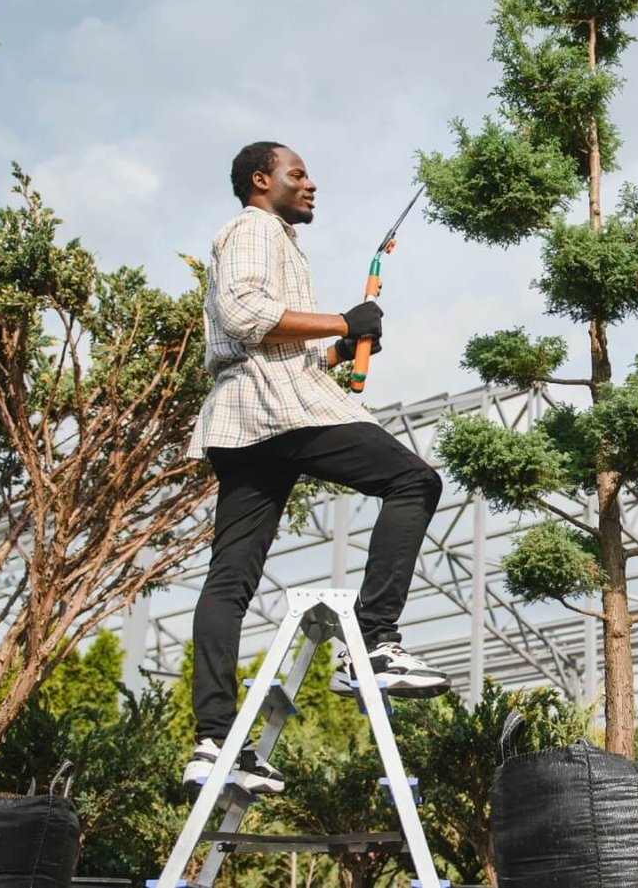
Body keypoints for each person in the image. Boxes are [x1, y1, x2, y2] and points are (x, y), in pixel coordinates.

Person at [182, 141, 449, 796]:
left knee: (230, 579)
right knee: (414, 480)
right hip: (275, 409)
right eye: (297, 173)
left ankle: (214, 741)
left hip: (249, 417)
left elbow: (275, 349)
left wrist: (336, 351)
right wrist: (343, 318)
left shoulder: (274, 237)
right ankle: (376, 641)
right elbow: (244, 317)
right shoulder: (251, 227)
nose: (311, 183)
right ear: (260, 179)